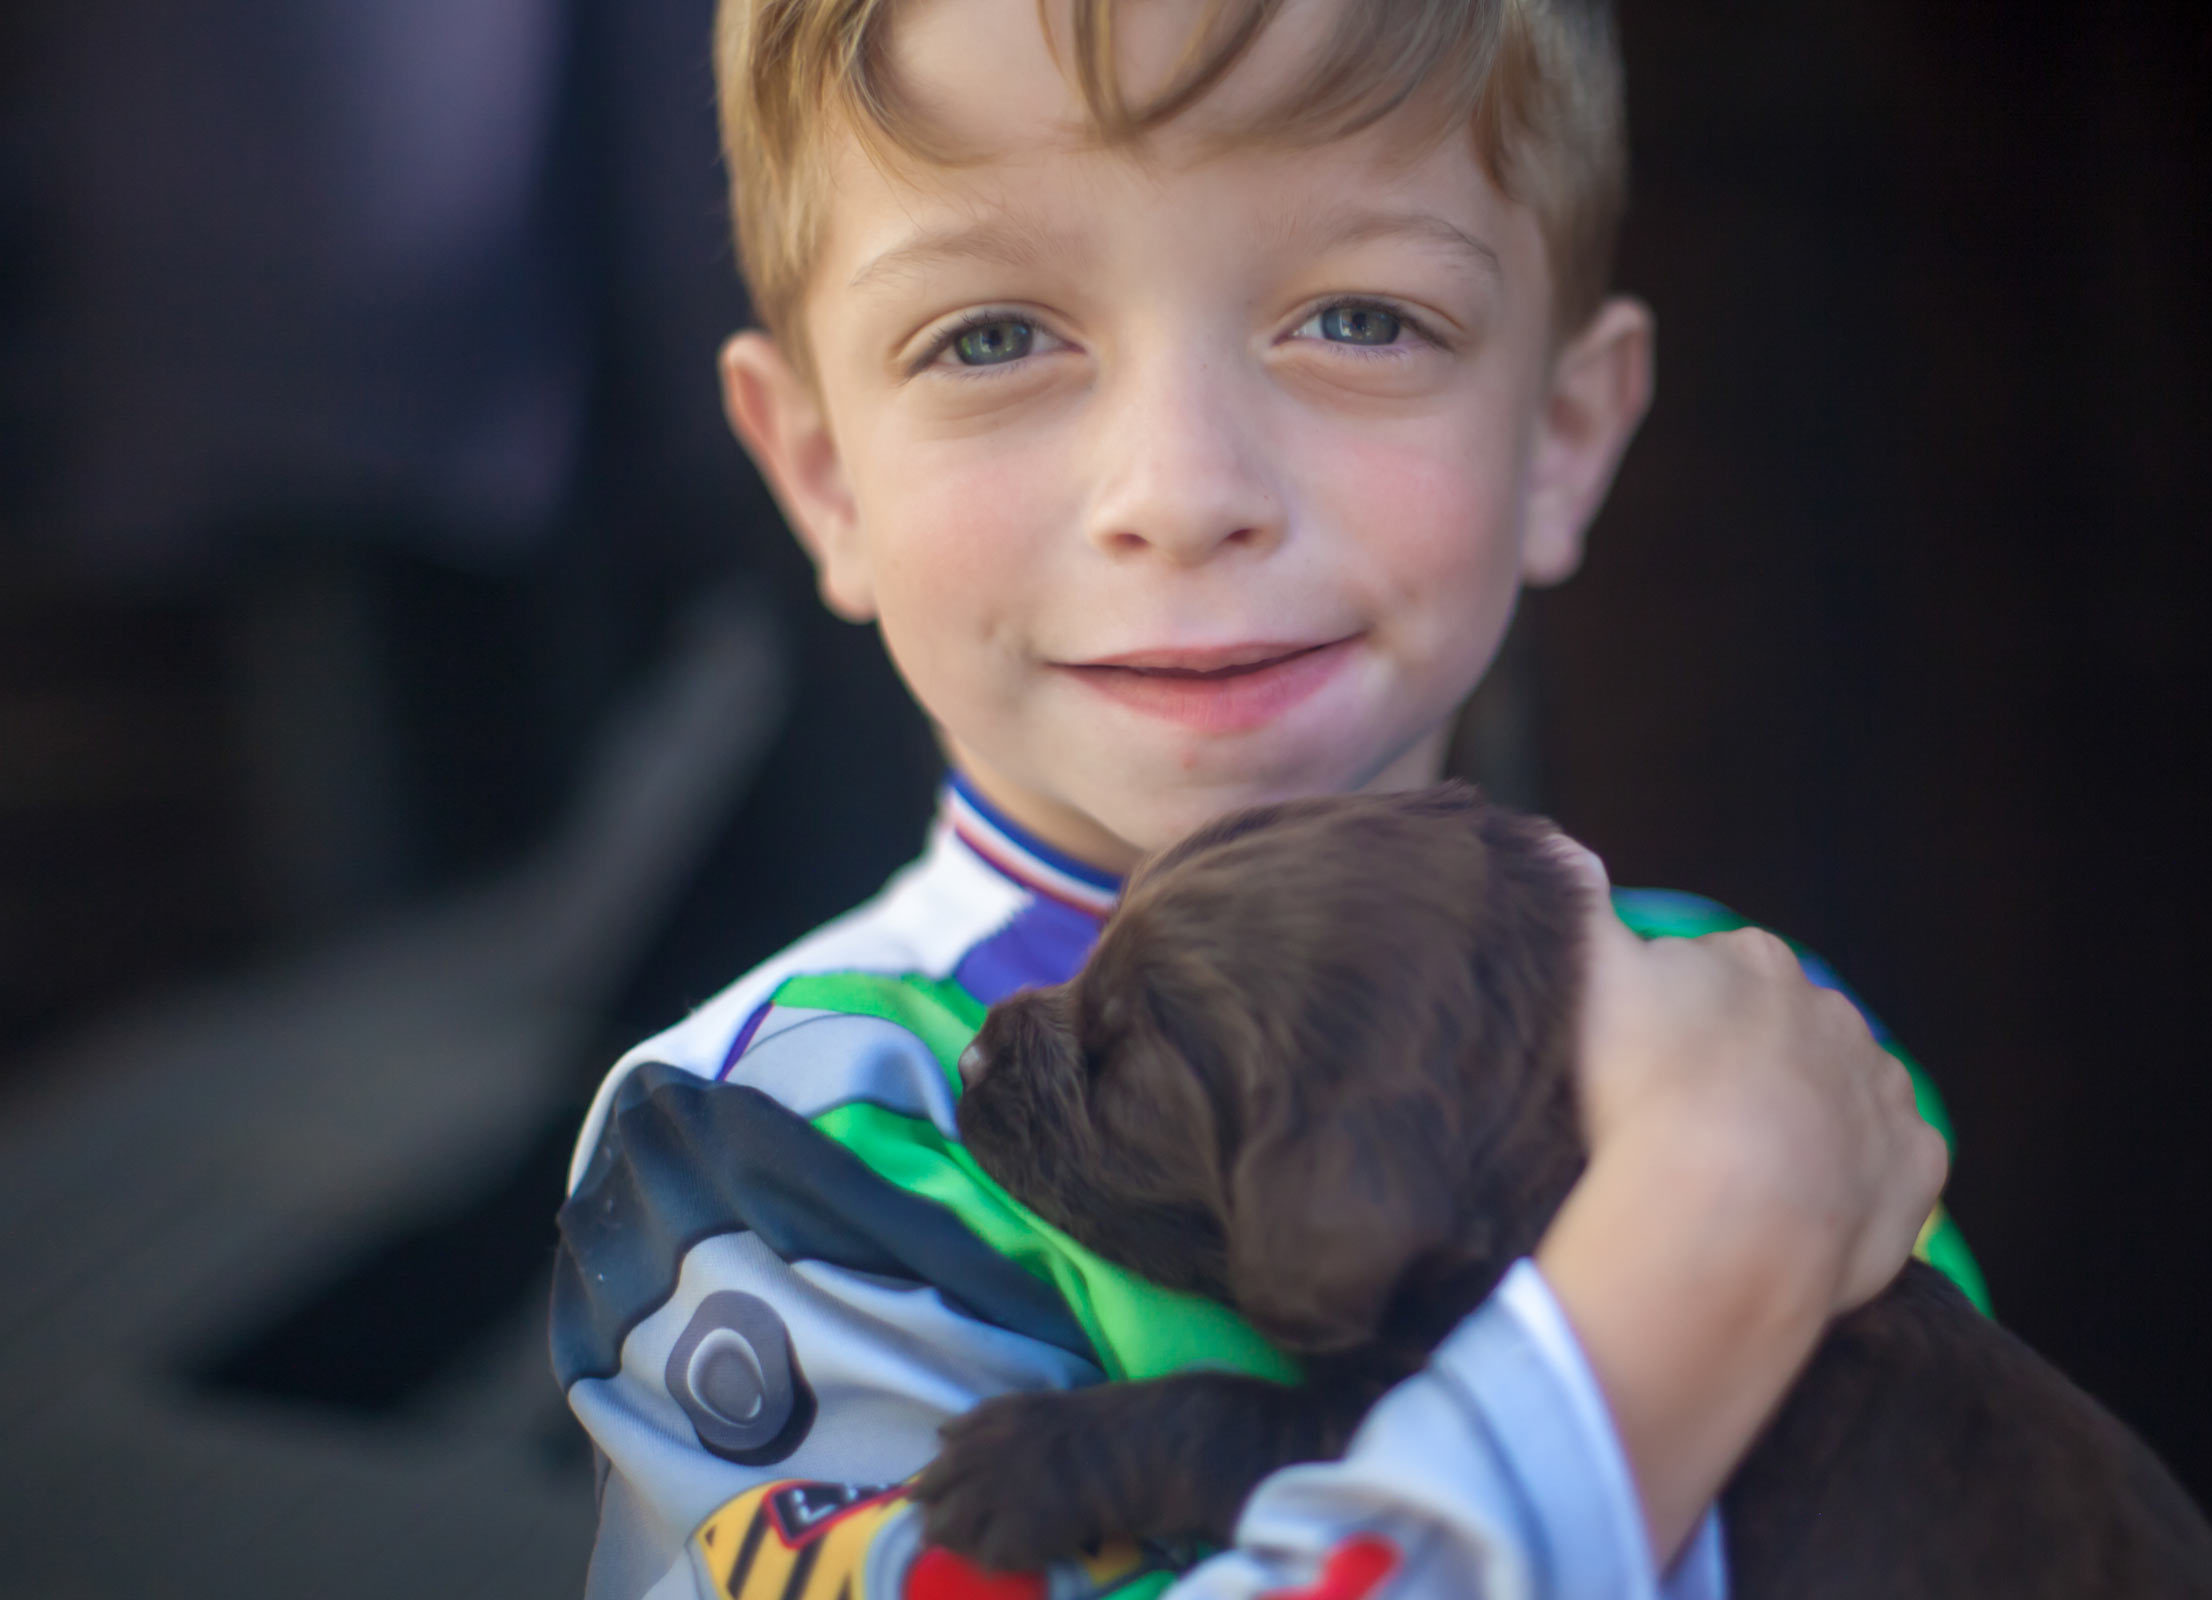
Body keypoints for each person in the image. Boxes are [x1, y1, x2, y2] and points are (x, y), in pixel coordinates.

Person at [550, 2, 1958, 1595]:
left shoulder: (1754, 1030)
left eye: (1361, 319)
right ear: (821, 474)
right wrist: (1690, 1276)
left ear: (1561, 438)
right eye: (993, 336)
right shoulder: (782, 1149)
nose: (1184, 491)